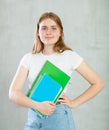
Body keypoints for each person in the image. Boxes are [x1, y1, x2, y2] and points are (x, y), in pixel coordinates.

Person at [9, 12, 104, 130]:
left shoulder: (69, 56)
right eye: (44, 28)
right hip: (34, 115)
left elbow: (98, 83)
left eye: (53, 28)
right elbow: (13, 93)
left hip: (58, 116)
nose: (48, 32)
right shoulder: (29, 58)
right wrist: (38, 106)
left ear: (60, 33)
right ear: (38, 32)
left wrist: (74, 103)